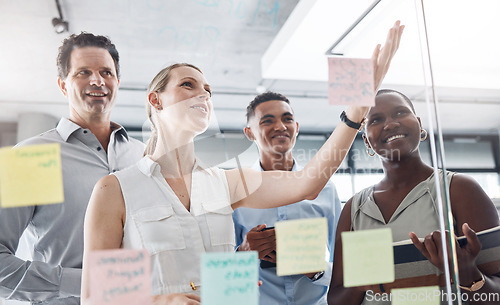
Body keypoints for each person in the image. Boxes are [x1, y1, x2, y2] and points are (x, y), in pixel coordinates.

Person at [81, 22, 404, 305]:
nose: (203, 95)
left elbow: (309, 182)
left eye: (208, 90)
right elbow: (96, 298)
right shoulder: (116, 189)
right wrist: (159, 300)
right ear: (155, 100)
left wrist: (356, 112)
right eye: (188, 85)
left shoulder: (225, 184)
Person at [0, 33, 145, 305]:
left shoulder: (143, 155)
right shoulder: (28, 157)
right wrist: (88, 283)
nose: (97, 80)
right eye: (83, 72)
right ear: (63, 85)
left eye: (106, 72)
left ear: (117, 82)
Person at [327, 89, 500, 305]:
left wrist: (466, 272)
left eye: (400, 113)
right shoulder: (354, 208)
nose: (390, 124)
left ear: (418, 123)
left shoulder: (459, 189)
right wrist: (364, 279)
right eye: (376, 119)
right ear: (367, 141)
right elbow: (335, 299)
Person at [232, 91, 341, 305]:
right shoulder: (237, 193)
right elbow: (219, 275)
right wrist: (244, 252)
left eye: (287, 119)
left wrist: (316, 269)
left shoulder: (325, 189)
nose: (281, 126)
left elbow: (346, 266)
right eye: (267, 121)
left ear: (297, 128)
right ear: (249, 133)